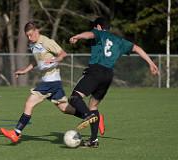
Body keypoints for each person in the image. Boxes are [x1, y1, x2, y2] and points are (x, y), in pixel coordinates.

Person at [68, 17, 159, 148]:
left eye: (94, 28)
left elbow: (90, 35)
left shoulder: (99, 33)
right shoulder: (119, 41)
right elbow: (137, 48)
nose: (94, 30)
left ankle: (87, 116)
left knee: (74, 98)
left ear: (99, 27)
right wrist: (151, 63)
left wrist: (77, 36)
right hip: (108, 75)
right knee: (93, 106)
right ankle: (93, 141)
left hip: (96, 71)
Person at [0, 21, 78, 143]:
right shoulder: (32, 45)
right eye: (27, 36)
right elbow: (36, 61)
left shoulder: (46, 42)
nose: (30, 38)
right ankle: (91, 116)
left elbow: (63, 54)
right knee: (64, 108)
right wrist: (24, 71)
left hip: (49, 82)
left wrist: (53, 60)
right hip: (53, 83)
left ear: (37, 31)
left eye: (31, 34)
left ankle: (15, 133)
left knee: (29, 104)